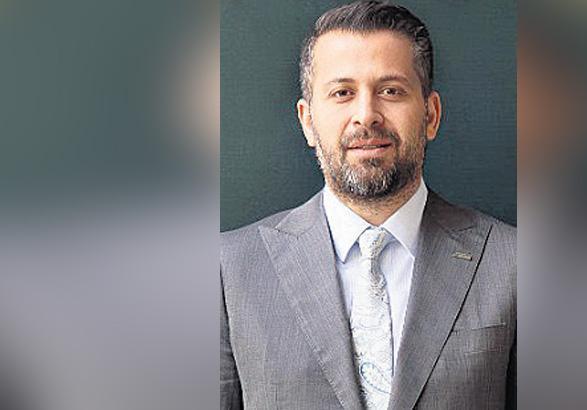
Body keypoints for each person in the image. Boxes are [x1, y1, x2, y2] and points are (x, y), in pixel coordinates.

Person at [220, 1, 515, 409]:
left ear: (431, 115)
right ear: (307, 121)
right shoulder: (227, 271)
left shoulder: (514, 263)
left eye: (391, 91)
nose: (366, 115)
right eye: (342, 92)